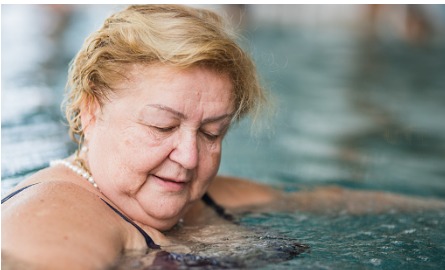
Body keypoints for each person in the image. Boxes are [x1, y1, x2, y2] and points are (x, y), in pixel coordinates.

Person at [2, 4, 444, 270]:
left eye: (213, 132)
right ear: (90, 109)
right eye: (162, 126)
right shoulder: (51, 219)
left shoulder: (201, 198)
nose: (190, 156)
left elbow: (321, 200)